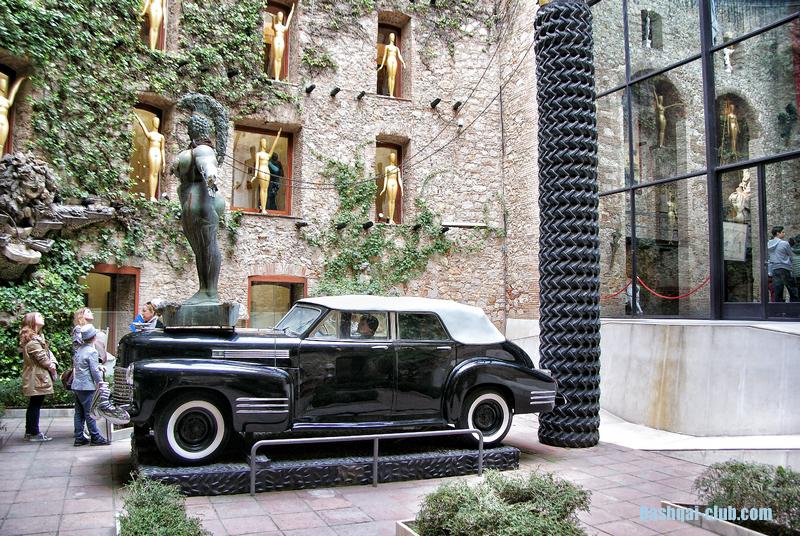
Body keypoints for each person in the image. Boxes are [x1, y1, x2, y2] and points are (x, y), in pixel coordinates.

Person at [20, 312, 57, 442]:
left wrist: (52, 363)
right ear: (32, 321)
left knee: (34, 403)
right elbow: (43, 358)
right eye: (39, 316)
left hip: (36, 375)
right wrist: (51, 366)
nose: (43, 317)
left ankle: (30, 431)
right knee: (35, 404)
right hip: (36, 377)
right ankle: (34, 432)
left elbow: (46, 354)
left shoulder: (36, 338)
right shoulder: (33, 341)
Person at [72, 324, 109, 446]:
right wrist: (100, 383)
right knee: (90, 412)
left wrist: (98, 366)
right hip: (87, 386)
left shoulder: (79, 349)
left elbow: (83, 366)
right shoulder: (92, 351)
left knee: (79, 413)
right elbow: (94, 371)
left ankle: (79, 437)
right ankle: (95, 436)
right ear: (94, 337)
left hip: (77, 385)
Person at [767, 226, 799, 303]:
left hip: (775, 268)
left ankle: (778, 307)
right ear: (778, 233)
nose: (784, 233)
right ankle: (795, 306)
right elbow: (791, 254)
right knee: (792, 289)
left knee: (778, 290)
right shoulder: (784, 243)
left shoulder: (769, 244)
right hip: (785, 267)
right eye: (783, 232)